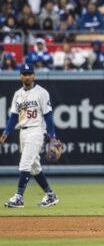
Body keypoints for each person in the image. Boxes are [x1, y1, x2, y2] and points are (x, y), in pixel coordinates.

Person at [1, 63, 60, 208]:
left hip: (36, 130)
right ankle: (51, 195)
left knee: (25, 163)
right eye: (24, 74)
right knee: (34, 167)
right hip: (23, 131)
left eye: (29, 74)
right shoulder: (17, 94)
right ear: (20, 76)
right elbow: (14, 117)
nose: (27, 76)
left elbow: (48, 115)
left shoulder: (41, 92)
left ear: (34, 76)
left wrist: (52, 135)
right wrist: (6, 133)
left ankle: (19, 197)